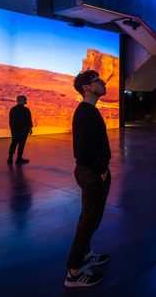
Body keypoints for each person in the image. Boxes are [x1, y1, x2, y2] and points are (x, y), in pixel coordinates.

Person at [65, 70, 111, 288]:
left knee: (89, 218)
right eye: (98, 81)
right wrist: (102, 169)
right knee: (88, 221)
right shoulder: (87, 112)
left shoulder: (88, 111)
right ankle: (73, 273)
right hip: (92, 174)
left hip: (92, 172)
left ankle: (84, 255)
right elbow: (83, 151)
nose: (103, 83)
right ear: (86, 87)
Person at [7, 95, 32, 164]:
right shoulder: (26, 110)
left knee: (13, 143)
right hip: (23, 131)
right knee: (21, 144)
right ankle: (19, 158)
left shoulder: (13, 109)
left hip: (15, 131)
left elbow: (11, 121)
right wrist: (30, 129)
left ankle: (10, 158)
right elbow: (29, 120)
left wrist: (12, 129)